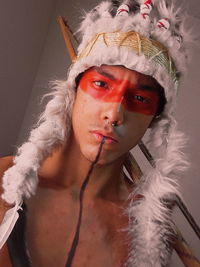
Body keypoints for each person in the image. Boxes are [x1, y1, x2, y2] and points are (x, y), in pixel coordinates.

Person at [0, 0, 197, 266]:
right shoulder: (4, 182)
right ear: (74, 89)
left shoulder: (145, 234)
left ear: (154, 119)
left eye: (139, 98)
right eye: (101, 84)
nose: (114, 114)